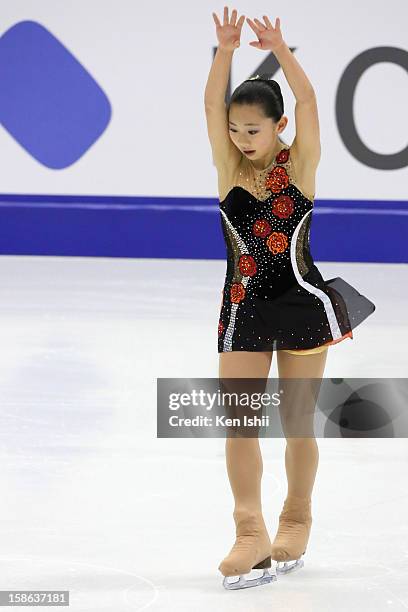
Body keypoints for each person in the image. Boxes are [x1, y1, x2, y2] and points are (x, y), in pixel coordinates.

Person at [204, 7, 376, 590]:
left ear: (277, 127)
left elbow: (308, 104)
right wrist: (226, 51)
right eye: (234, 129)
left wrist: (280, 50)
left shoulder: (300, 166)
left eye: (252, 130)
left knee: (295, 420)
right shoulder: (228, 168)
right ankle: (248, 528)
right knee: (240, 422)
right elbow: (210, 108)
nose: (240, 139)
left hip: (301, 304)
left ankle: (295, 515)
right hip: (243, 306)